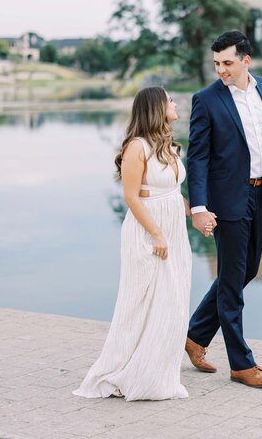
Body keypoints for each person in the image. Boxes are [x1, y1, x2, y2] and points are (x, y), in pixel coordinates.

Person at [185, 30, 262, 388]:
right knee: (232, 284)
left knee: (246, 270)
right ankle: (242, 365)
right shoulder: (205, 100)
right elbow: (198, 157)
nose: (221, 70)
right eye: (217, 63)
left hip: (258, 193)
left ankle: (194, 337)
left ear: (246, 60)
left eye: (228, 63)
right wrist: (199, 207)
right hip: (225, 201)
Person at [73, 87, 197, 401]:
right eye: (170, 100)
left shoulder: (168, 146)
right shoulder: (137, 147)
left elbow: (171, 193)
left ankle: (156, 371)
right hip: (148, 232)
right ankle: (127, 371)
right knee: (143, 302)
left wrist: (196, 213)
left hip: (174, 230)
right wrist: (156, 233)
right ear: (157, 108)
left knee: (173, 301)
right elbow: (131, 196)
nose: (176, 103)